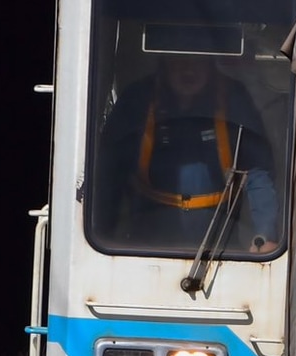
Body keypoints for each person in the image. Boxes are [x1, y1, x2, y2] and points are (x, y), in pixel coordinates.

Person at [96, 50, 279, 256]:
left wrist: (265, 235)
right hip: (145, 244)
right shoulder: (137, 99)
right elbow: (108, 173)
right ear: (163, 61)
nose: (188, 68)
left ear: (211, 63)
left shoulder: (233, 98)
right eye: (178, 59)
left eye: (199, 59)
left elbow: (258, 172)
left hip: (220, 247)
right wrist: (104, 236)